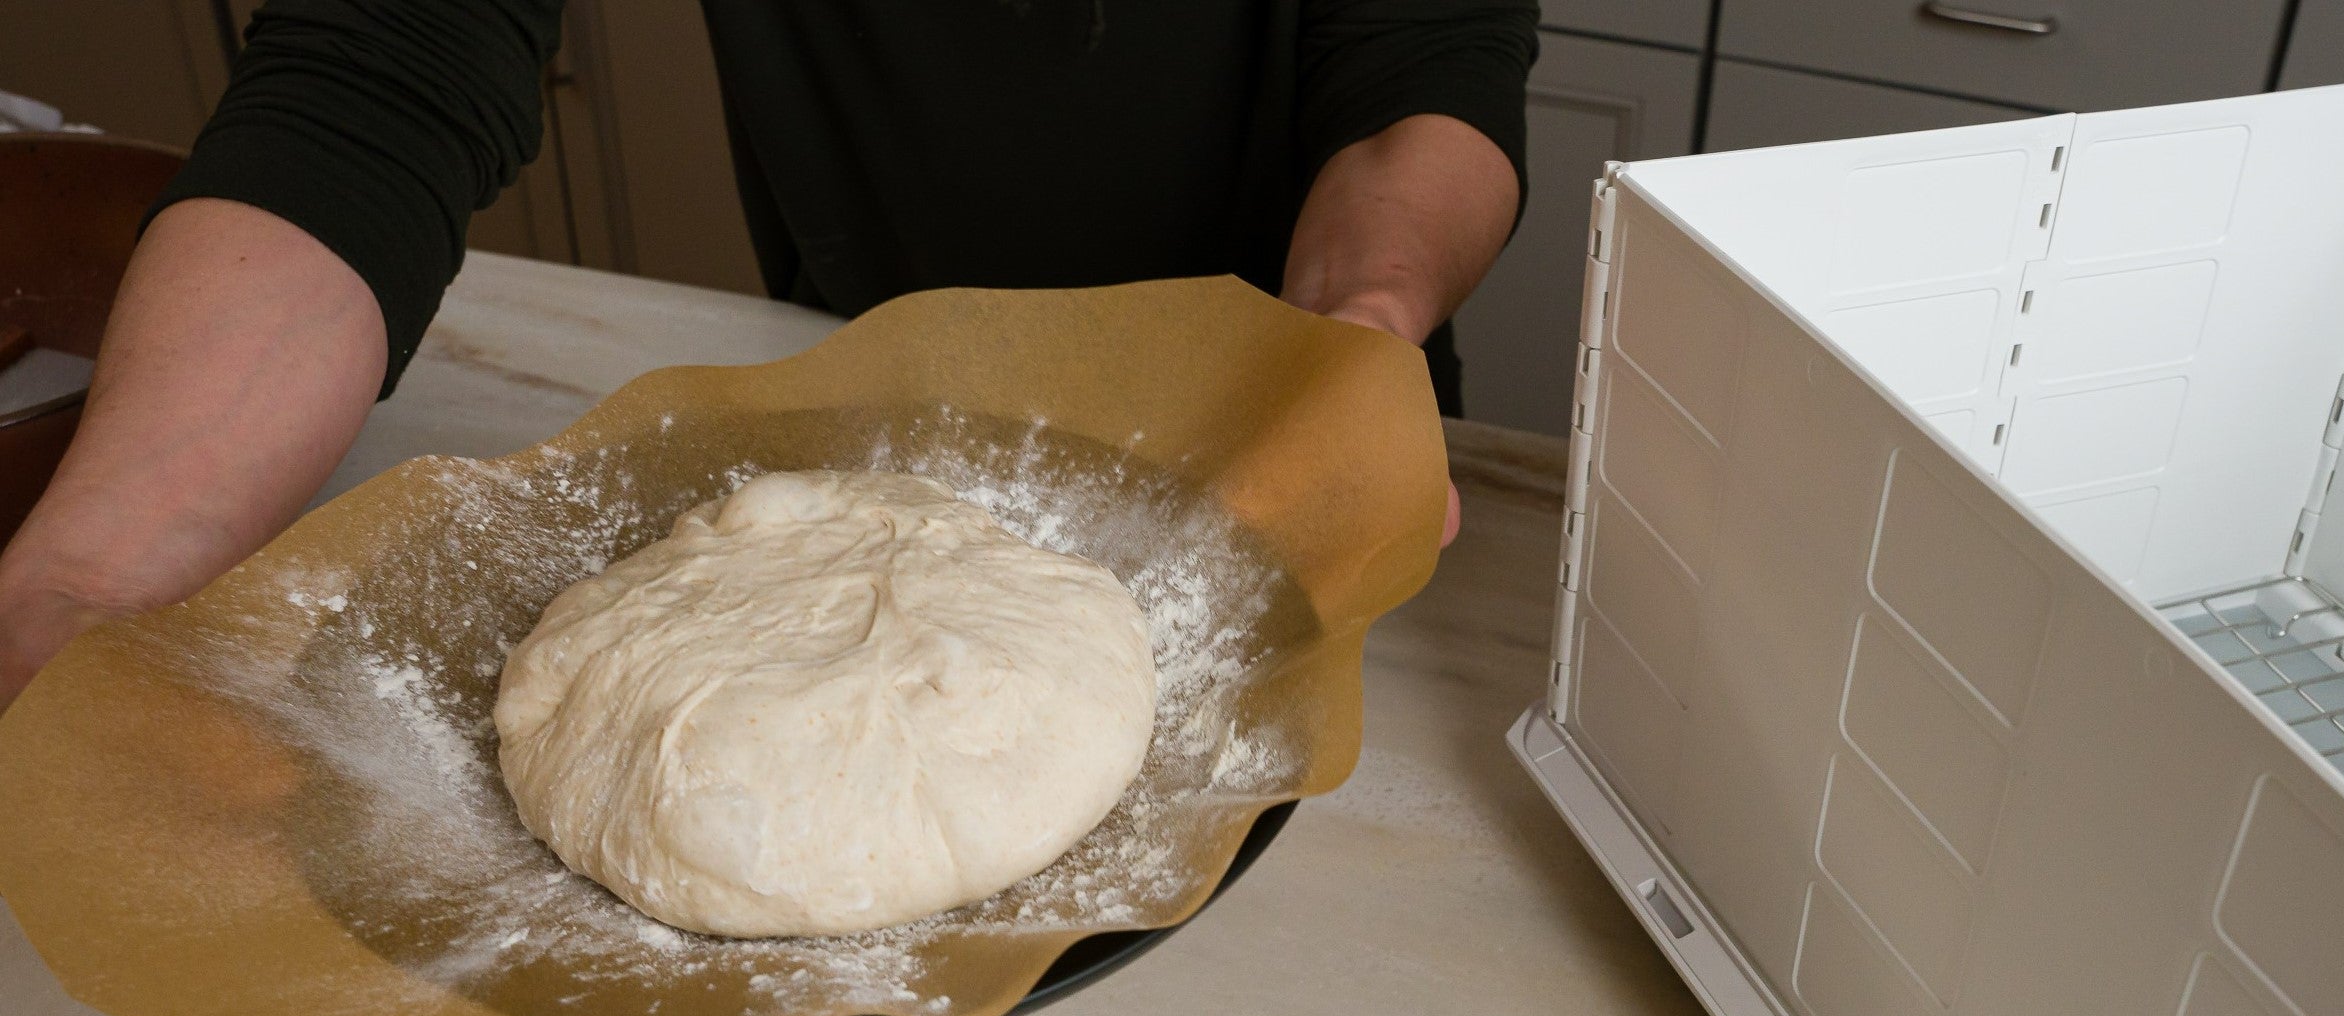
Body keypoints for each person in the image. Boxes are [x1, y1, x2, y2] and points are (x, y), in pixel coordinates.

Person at [0, 0, 1535, 713]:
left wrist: (1364, 327)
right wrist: (103, 560)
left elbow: (1420, 76)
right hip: (868, 417)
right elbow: (381, 80)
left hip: (1295, 445)